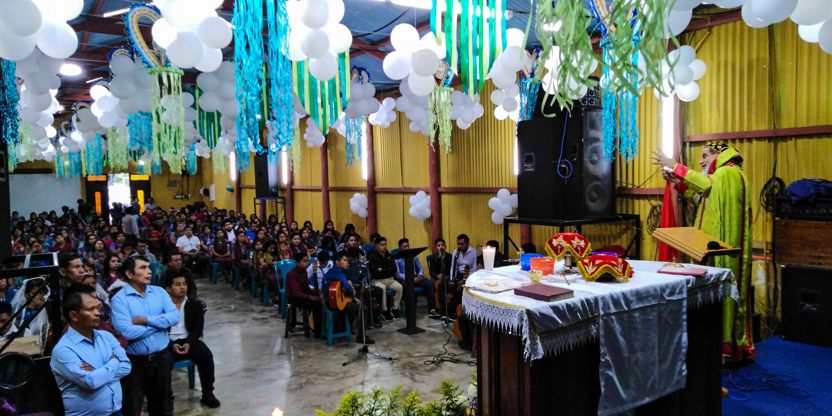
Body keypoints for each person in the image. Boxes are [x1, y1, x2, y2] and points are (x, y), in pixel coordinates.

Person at [653, 142, 754, 361]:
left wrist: (675, 166)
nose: (700, 161)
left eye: (705, 156)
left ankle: (723, 346)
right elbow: (702, 198)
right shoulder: (722, 176)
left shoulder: (728, 173)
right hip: (709, 245)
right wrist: (676, 181)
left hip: (722, 248)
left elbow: (705, 186)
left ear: (719, 155)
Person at [112, 256, 180, 416]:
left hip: (161, 358)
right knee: (133, 407)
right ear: (129, 274)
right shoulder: (119, 299)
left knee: (162, 406)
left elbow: (175, 317)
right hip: (135, 363)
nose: (149, 271)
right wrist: (159, 324)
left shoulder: (159, 292)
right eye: (143, 268)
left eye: (149, 267)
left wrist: (145, 320)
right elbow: (126, 332)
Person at [50, 285, 132, 416]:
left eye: (97, 308)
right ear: (74, 315)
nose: (98, 313)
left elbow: (126, 366)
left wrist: (97, 372)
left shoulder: (106, 336)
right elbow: (91, 382)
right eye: (90, 309)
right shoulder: (64, 349)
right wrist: (115, 361)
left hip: (115, 411)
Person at [163, 274, 221, 408]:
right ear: (168, 289)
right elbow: (158, 331)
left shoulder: (195, 304)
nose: (182, 287)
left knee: (206, 356)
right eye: (178, 285)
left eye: (184, 284)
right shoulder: (161, 306)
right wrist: (172, 345)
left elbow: (197, 329)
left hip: (189, 340)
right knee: (162, 361)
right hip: (168, 342)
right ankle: (166, 398)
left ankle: (207, 393)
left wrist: (189, 343)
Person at [323, 251, 374, 344]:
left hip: (334, 300)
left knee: (358, 302)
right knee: (363, 308)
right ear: (337, 262)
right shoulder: (337, 272)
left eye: (347, 260)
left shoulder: (335, 271)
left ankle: (345, 328)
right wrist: (352, 291)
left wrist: (353, 298)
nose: (347, 262)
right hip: (333, 303)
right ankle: (361, 336)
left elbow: (341, 289)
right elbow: (346, 285)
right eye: (344, 260)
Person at [395, 238, 439, 318]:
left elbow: (420, 268)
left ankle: (432, 309)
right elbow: (397, 274)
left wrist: (420, 275)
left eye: (408, 246)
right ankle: (411, 312)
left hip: (416, 277)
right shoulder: (397, 259)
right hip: (405, 279)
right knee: (408, 286)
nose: (407, 248)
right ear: (400, 247)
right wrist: (409, 278)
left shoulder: (413, 256)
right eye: (404, 246)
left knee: (430, 285)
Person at [285, 252, 322, 337]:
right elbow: (296, 292)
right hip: (294, 297)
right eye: (304, 261)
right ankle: (317, 331)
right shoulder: (292, 274)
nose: (307, 263)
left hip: (302, 295)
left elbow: (306, 287)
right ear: (298, 263)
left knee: (319, 299)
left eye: (307, 261)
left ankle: (316, 327)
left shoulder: (304, 272)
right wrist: (309, 297)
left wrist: (315, 292)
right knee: (316, 304)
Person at [368, 237, 402, 321]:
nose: (384, 247)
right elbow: (375, 273)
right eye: (382, 245)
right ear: (376, 246)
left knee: (399, 287)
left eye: (385, 244)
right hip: (377, 280)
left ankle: (395, 309)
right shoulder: (373, 257)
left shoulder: (389, 256)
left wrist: (382, 270)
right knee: (382, 288)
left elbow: (394, 270)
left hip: (389, 279)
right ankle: (385, 311)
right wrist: (387, 270)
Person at [448, 234, 477, 319]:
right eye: (458, 244)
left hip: (470, 276)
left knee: (459, 289)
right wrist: (451, 279)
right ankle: (445, 310)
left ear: (468, 243)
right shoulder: (456, 252)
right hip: (458, 274)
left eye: (462, 244)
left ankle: (453, 312)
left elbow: (475, 270)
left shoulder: (474, 252)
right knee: (443, 285)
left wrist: (465, 280)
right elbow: (453, 267)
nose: (459, 246)